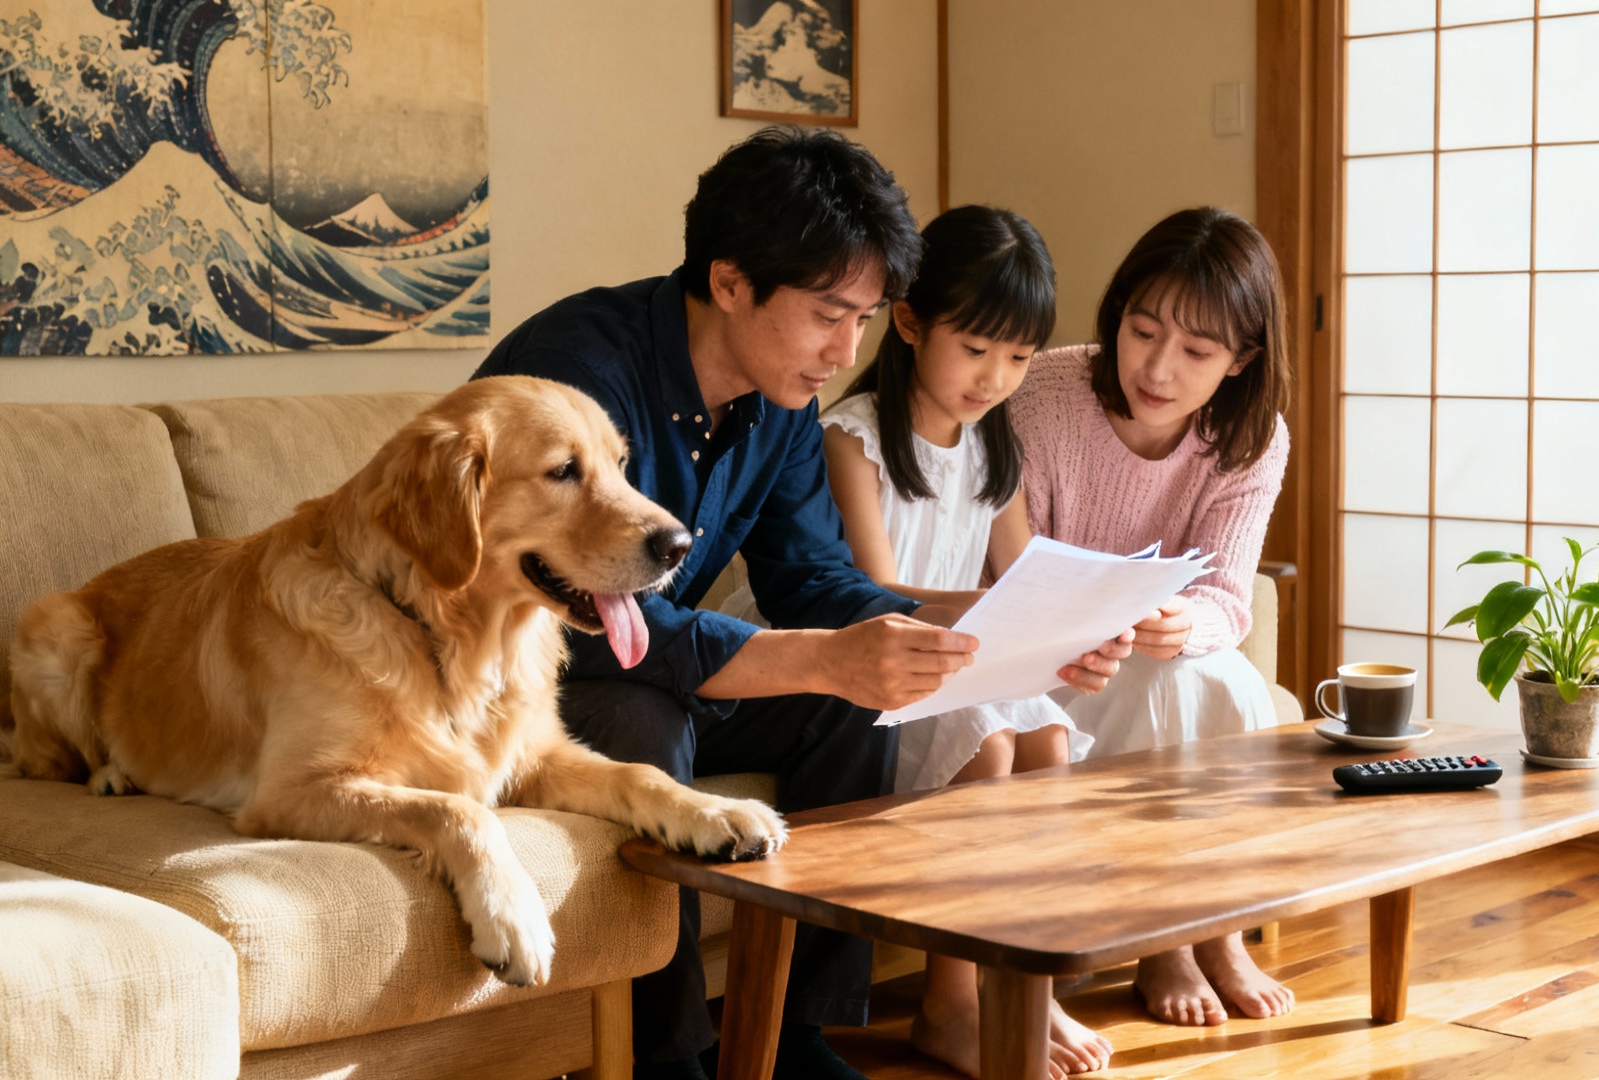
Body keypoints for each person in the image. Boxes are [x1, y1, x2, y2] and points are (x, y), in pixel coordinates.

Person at [472, 127, 1126, 1080]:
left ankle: (792, 1036)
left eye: (863, 318)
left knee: (849, 695)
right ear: (731, 281)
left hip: (657, 656)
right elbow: (602, 617)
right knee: (644, 716)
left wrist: (993, 633)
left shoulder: (778, 402)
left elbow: (814, 578)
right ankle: (668, 1060)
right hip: (532, 669)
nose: (845, 350)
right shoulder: (581, 377)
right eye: (829, 314)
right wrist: (820, 654)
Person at [729, 205, 1111, 1077]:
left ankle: (1025, 991)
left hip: (942, 649)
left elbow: (1019, 577)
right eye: (976, 349)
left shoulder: (992, 445)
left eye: (1017, 357)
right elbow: (871, 594)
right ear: (908, 322)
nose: (995, 378)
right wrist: (999, 610)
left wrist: (1078, 619)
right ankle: (949, 1006)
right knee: (990, 742)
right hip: (846, 648)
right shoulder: (853, 435)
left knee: (1049, 736)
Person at [1009, 207, 1296, 1028]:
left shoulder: (1251, 436)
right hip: (1052, 660)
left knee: (1211, 673)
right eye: (1141, 331)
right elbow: (1005, 566)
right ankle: (1170, 937)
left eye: (1198, 352)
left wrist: (1183, 621)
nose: (1158, 368)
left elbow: (1229, 598)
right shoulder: (1044, 395)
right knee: (1173, 685)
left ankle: (1213, 925)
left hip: (1151, 651)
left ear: (1242, 359)